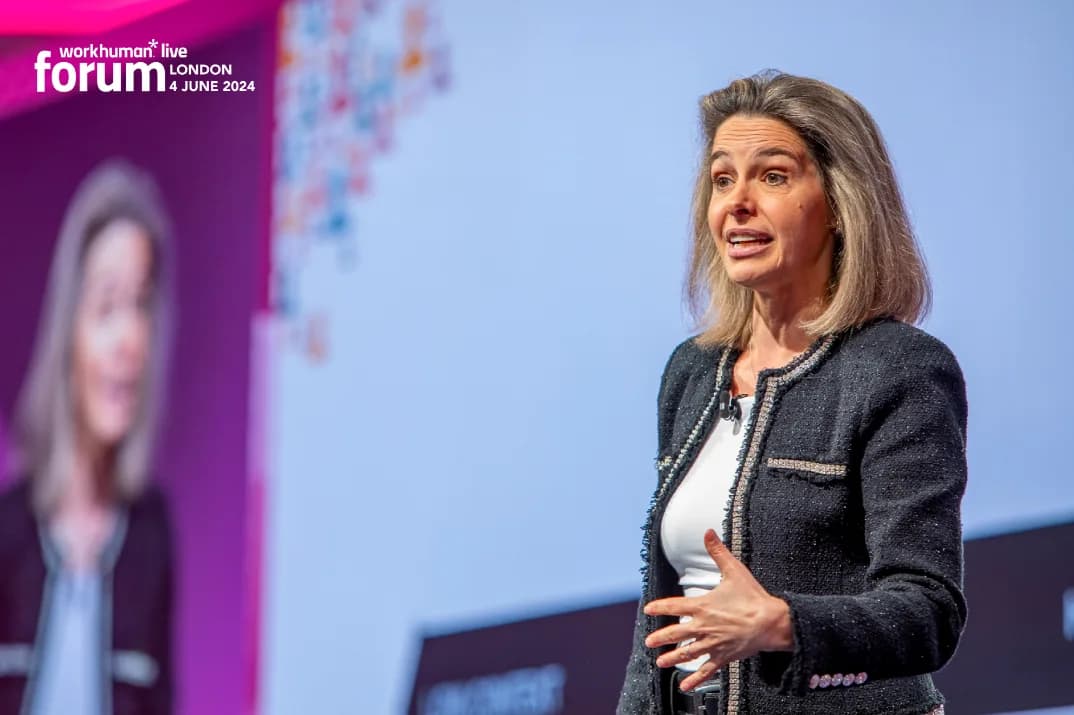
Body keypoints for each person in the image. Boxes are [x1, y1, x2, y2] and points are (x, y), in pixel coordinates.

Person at [617, 71, 967, 715]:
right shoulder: (691, 372)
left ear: (839, 204)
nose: (737, 203)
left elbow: (927, 610)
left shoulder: (899, 370)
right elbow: (659, 626)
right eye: (723, 180)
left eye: (772, 176)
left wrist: (782, 624)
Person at [0, 161, 176, 714]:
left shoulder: (153, 534)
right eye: (106, 307)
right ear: (67, 331)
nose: (129, 340)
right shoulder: (7, 531)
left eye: (141, 307)